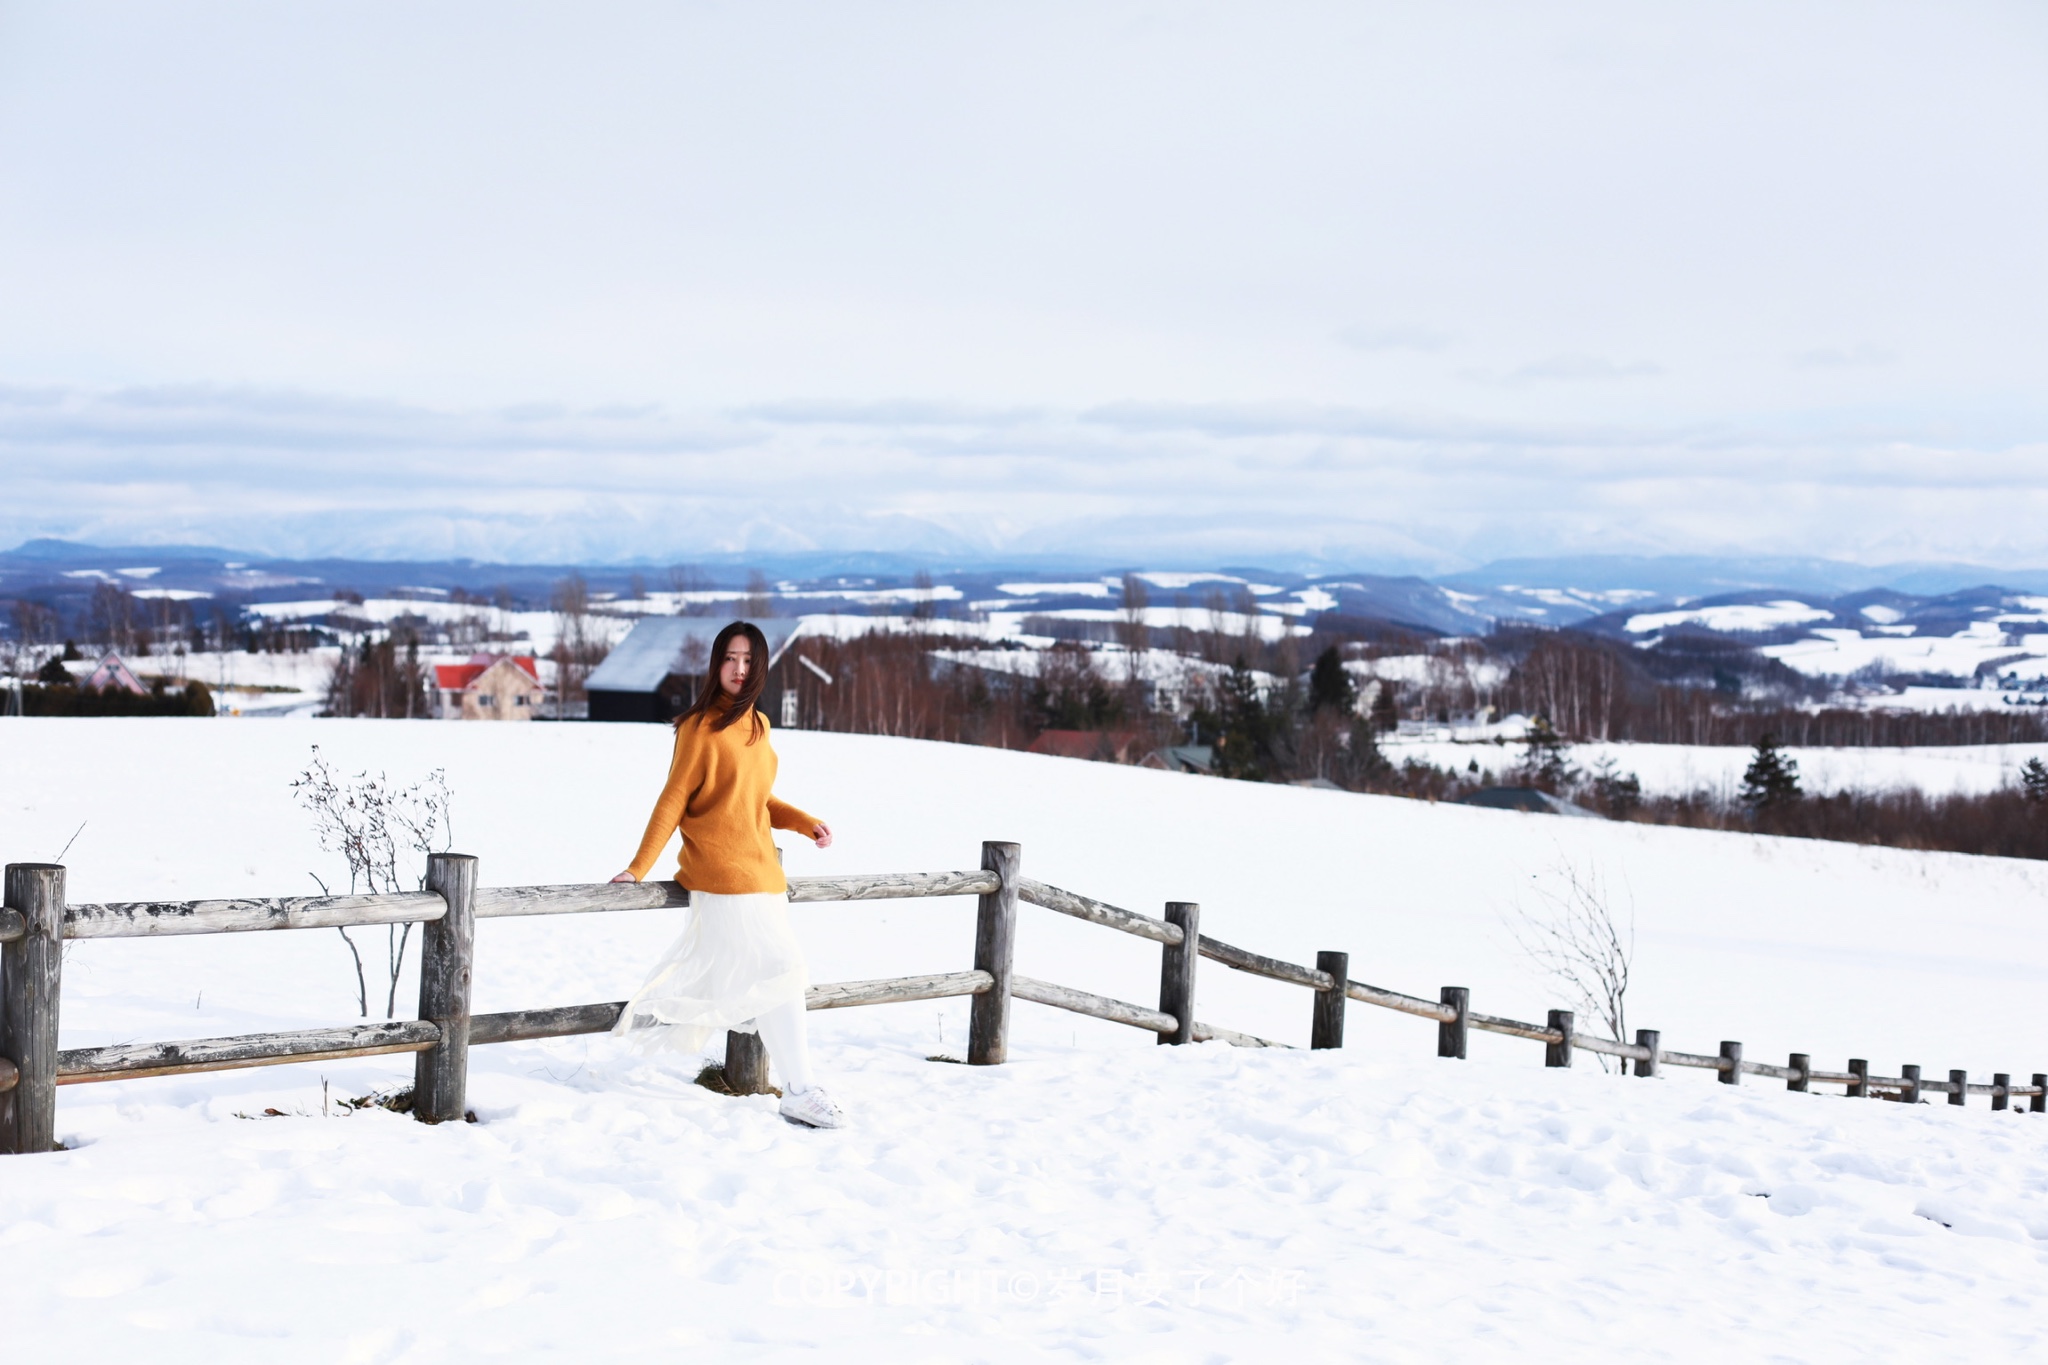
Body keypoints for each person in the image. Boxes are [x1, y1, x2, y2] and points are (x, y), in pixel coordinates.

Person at [609, 621, 844, 1128]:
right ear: (716, 664)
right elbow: (673, 799)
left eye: (748, 660)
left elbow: (756, 800)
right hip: (721, 877)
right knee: (781, 970)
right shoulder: (699, 727)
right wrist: (637, 867)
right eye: (729, 659)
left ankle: (800, 1089)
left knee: (778, 981)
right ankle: (801, 1089)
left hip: (762, 878)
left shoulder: (758, 726)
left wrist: (805, 823)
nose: (739, 669)